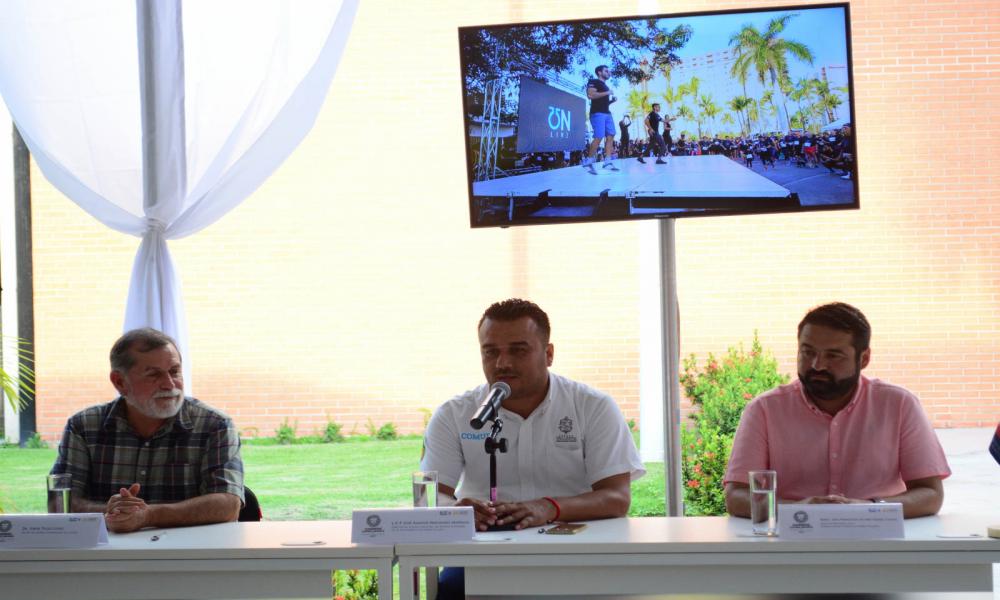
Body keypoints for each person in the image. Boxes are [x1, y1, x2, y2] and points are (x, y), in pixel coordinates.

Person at [422, 298, 644, 599]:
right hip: (483, 553)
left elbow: (617, 498)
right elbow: (428, 496)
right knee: (450, 590)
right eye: (491, 352)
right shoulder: (455, 413)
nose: (503, 363)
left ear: (549, 354)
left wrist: (548, 507)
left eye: (518, 350)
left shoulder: (592, 406)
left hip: (577, 547)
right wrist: (454, 511)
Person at [724, 302, 950, 519]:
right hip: (792, 541)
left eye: (833, 355)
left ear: (864, 359)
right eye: (808, 352)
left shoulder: (899, 404)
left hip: (878, 541)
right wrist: (797, 509)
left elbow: (930, 495)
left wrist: (869, 508)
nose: (817, 365)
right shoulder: (764, 409)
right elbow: (736, 496)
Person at [50, 328, 244, 533]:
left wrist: (148, 515)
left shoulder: (214, 425)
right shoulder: (83, 427)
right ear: (120, 382)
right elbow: (60, 501)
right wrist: (111, 511)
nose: (169, 384)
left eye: (175, 371)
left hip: (189, 556)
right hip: (106, 557)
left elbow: (228, 505)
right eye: (154, 375)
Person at [582, 65, 619, 174]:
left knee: (611, 135)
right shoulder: (594, 81)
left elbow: (602, 100)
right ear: (599, 72)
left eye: (609, 71)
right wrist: (607, 93)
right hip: (597, 113)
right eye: (606, 71)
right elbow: (591, 95)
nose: (609, 73)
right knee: (599, 137)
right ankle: (588, 162)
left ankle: (607, 162)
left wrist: (611, 101)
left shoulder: (605, 85)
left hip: (607, 113)